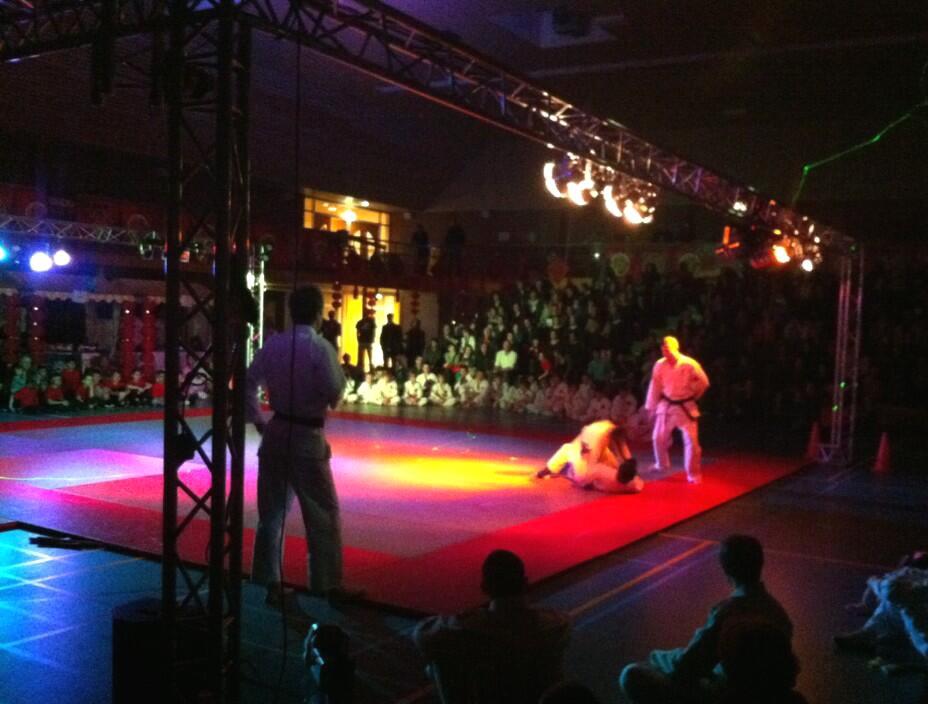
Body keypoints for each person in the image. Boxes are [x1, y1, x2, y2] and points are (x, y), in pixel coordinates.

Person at [246, 285, 360, 605]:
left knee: (271, 514)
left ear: (291, 311)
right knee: (322, 512)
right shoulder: (320, 347)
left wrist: (258, 420)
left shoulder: (273, 345)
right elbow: (335, 392)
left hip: (276, 431)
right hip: (307, 437)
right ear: (319, 313)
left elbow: (247, 382)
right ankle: (327, 583)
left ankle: (270, 582)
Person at [619, 534, 793, 704]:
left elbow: (688, 666)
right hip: (766, 695)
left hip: (726, 695)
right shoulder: (780, 614)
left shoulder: (727, 614)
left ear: (726, 569)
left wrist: (658, 656)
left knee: (632, 674)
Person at [413, 549, 571, 704]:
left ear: (485, 587)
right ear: (525, 583)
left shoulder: (465, 631)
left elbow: (422, 635)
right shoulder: (558, 626)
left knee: (438, 666)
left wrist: (459, 618)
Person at [645, 336, 710, 484]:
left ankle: (693, 474)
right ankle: (661, 464)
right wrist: (651, 407)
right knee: (658, 437)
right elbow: (655, 386)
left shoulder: (689, 364)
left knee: (691, 442)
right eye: (663, 349)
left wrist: (694, 395)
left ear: (676, 347)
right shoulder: (659, 365)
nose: (665, 352)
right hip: (667, 405)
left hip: (685, 406)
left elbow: (704, 383)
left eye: (667, 348)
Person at [538, 420, 644, 494]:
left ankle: (565, 471)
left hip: (595, 454)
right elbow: (591, 466)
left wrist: (629, 464)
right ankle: (550, 468)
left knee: (581, 470)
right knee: (570, 450)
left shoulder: (612, 431)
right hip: (586, 446)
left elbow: (622, 448)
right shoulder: (636, 484)